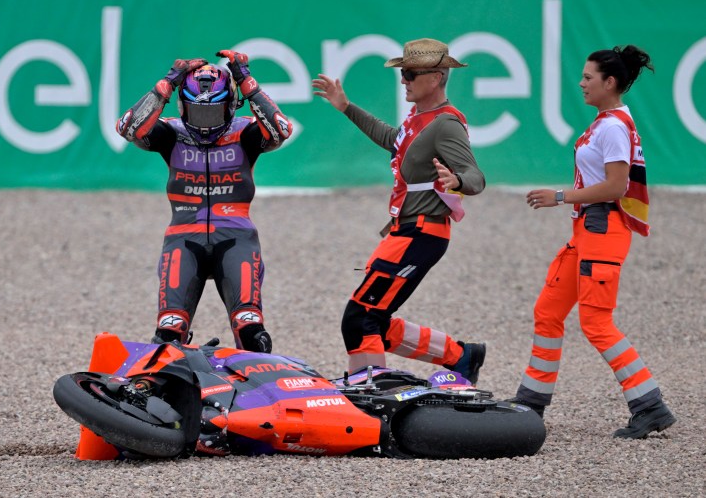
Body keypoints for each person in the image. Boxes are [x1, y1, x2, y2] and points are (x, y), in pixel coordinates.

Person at [508, 45, 676, 439]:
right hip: (586, 231)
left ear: (610, 82)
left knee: (596, 322)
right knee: (548, 311)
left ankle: (650, 406)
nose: (581, 83)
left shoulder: (614, 126)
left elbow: (616, 186)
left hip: (603, 230)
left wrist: (560, 197)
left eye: (588, 77)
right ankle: (531, 404)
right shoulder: (605, 122)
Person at [312, 38, 487, 382]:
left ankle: (371, 399)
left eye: (409, 73)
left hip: (421, 234)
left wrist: (456, 180)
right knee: (373, 318)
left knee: (360, 318)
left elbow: (476, 177)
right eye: (402, 73)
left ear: (435, 78)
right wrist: (347, 107)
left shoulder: (446, 123)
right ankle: (462, 356)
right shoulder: (420, 117)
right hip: (405, 232)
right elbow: (392, 138)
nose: (403, 80)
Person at [116, 51, 293, 351]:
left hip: (237, 240)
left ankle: (256, 391)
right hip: (183, 241)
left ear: (230, 107)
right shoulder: (171, 133)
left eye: (213, 113)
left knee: (252, 332)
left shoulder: (246, 133)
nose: (205, 123)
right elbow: (127, 128)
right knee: (168, 333)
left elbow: (281, 130)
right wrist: (166, 85)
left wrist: (246, 82)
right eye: (198, 113)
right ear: (184, 107)